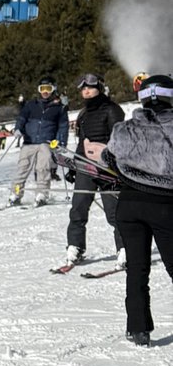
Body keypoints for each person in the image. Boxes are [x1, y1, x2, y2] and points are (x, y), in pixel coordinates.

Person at [100, 73, 173, 344]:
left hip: (129, 206)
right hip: (164, 204)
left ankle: (139, 330)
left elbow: (109, 157)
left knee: (137, 269)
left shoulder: (125, 128)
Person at [59, 73, 125, 271]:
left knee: (114, 213)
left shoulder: (112, 109)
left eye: (90, 87)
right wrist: (74, 166)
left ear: (100, 88)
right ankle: (75, 246)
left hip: (108, 168)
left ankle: (125, 248)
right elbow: (82, 142)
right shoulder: (83, 114)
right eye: (83, 88)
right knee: (78, 208)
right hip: (86, 166)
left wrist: (117, 166)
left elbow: (120, 140)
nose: (86, 91)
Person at [8, 79, 68, 206]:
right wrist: (18, 128)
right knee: (22, 168)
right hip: (29, 141)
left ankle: (42, 194)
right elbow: (22, 118)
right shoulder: (31, 105)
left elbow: (63, 126)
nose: (45, 92)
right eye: (42, 89)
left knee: (43, 168)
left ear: (53, 89)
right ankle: (16, 194)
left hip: (46, 142)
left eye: (48, 88)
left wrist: (61, 142)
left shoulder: (59, 108)